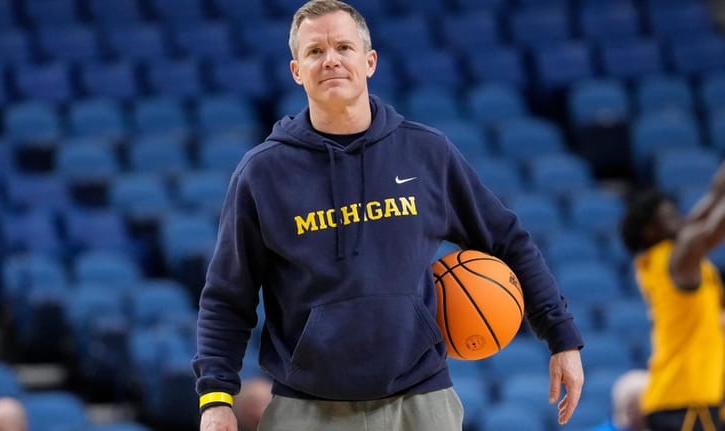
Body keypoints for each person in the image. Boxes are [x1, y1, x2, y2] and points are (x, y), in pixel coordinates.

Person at [193, 1, 585, 430]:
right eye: (315, 51)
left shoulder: (427, 153)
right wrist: (215, 398)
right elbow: (227, 297)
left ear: (370, 61)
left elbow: (509, 241)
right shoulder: (262, 173)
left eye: (344, 46)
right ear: (296, 70)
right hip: (307, 408)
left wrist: (561, 337)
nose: (331, 60)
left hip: (422, 401)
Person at [619, 164, 725, 431]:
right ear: (650, 231)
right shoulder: (672, 260)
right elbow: (711, 230)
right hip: (684, 401)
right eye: (669, 216)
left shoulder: (674, 255)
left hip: (695, 398)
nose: (680, 218)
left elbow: (715, 196)